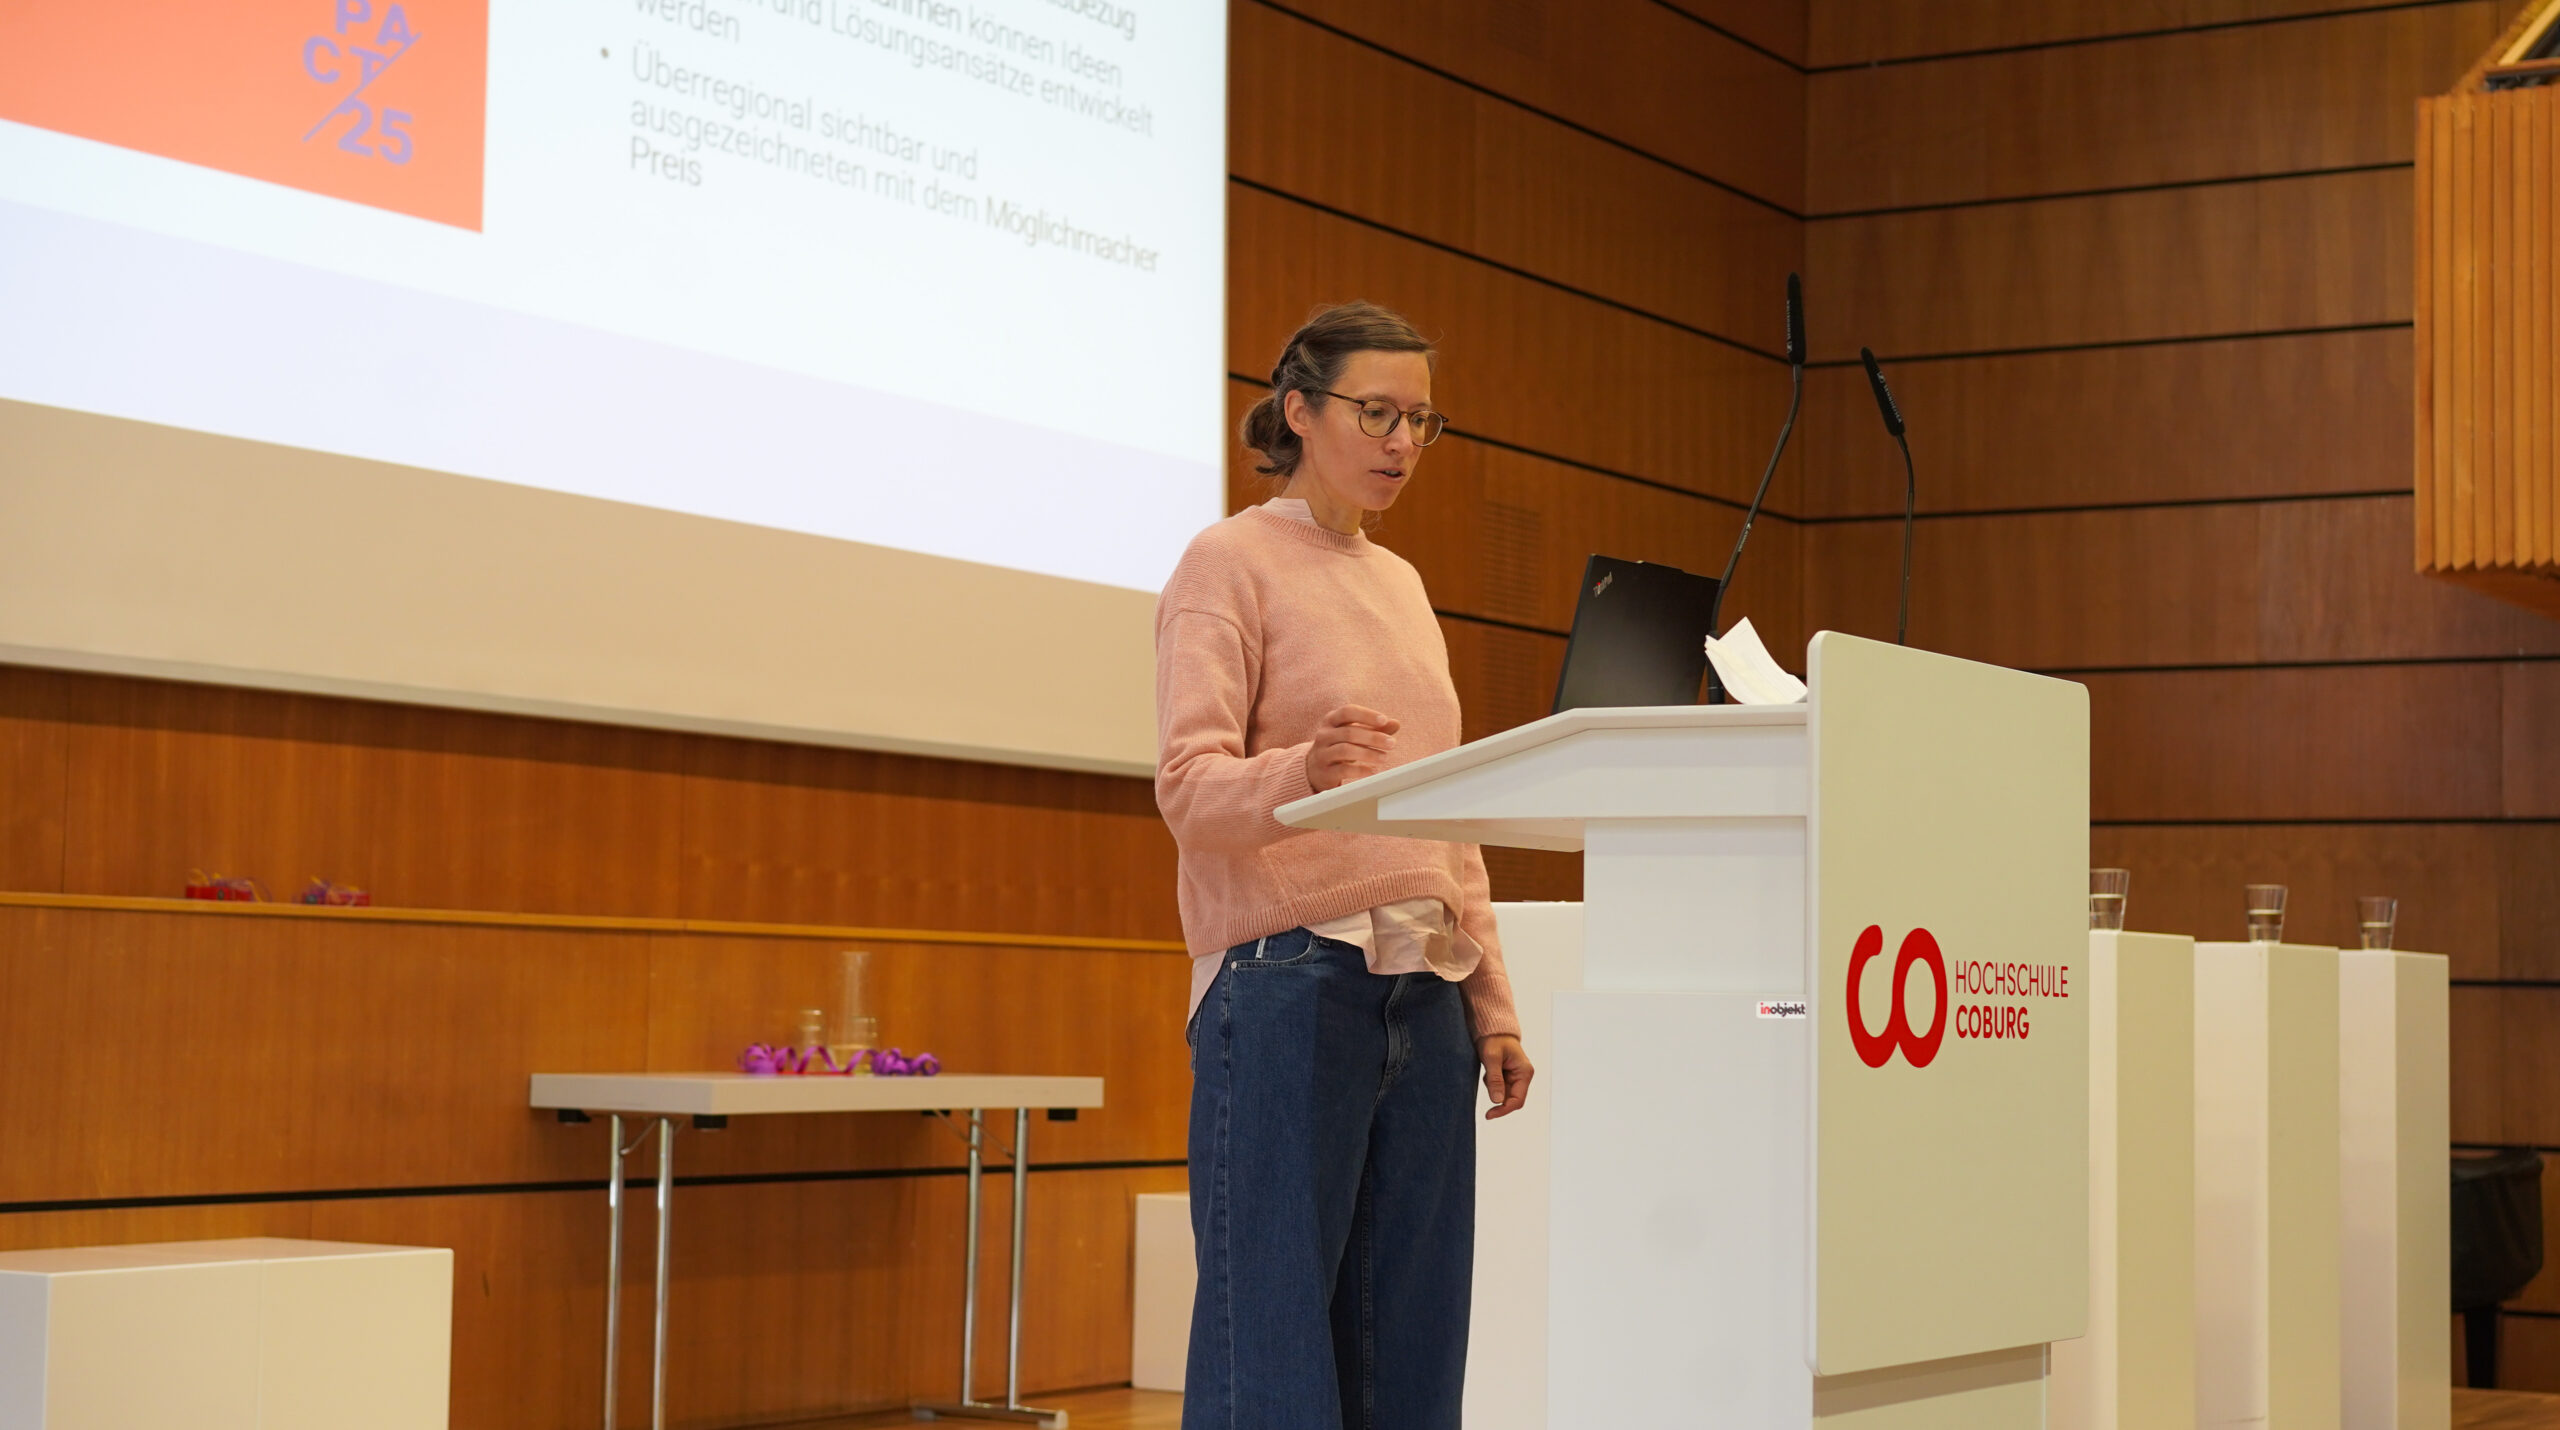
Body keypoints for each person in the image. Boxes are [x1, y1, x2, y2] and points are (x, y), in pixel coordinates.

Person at [1154, 300, 1533, 1430]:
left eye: (1421, 418)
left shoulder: (1406, 585)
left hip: (1425, 987)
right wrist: (1300, 771)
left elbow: (1445, 813)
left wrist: (1492, 1004)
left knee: (1411, 1354)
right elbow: (1188, 785)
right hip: (1285, 983)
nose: (1402, 441)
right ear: (1298, 411)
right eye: (1376, 411)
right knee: (1264, 1345)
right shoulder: (1226, 561)